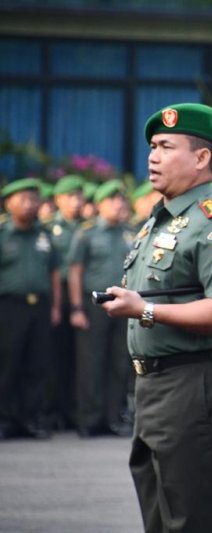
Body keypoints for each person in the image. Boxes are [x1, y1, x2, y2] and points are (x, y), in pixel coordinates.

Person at [100, 102, 212, 532]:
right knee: (159, 517)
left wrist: (146, 310)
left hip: (194, 383)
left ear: (202, 158)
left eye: (166, 146)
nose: (153, 156)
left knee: (191, 521)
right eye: (152, 146)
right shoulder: (161, 222)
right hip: (154, 385)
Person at [68, 179, 135, 437]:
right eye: (113, 200)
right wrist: (76, 308)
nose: (119, 204)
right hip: (94, 303)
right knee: (91, 363)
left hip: (125, 303)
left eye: (121, 199)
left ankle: (113, 417)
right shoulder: (87, 233)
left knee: (120, 362)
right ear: (99, 205)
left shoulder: (130, 233)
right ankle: (89, 419)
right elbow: (75, 272)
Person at [0, 178, 60, 440]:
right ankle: (5, 419)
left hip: (40, 306)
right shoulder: (3, 233)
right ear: (8, 203)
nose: (30, 204)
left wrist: (57, 306)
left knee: (37, 364)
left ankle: (31, 419)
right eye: (23, 199)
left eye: (34, 199)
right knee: (8, 364)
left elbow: (55, 272)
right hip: (10, 306)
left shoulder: (44, 234)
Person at [45, 174, 85, 431]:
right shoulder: (48, 229)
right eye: (71, 196)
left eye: (79, 195)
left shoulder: (86, 227)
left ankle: (73, 412)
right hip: (55, 295)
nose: (77, 201)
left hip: (80, 296)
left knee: (79, 359)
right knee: (53, 358)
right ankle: (52, 412)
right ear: (58, 199)